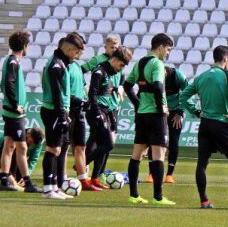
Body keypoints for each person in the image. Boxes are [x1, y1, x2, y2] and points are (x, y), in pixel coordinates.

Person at [180, 45, 228, 209]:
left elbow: (184, 96)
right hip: (221, 124)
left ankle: (204, 201)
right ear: (225, 58)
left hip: (205, 124)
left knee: (202, 163)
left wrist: (196, 111)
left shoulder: (201, 77)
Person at [122, 33, 175, 206]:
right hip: (156, 115)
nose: (168, 53)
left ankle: (134, 195)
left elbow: (127, 85)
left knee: (137, 155)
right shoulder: (157, 64)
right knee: (159, 156)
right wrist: (161, 108)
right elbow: (159, 87)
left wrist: (137, 103)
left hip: (142, 115)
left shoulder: (140, 63)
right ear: (160, 47)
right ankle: (158, 197)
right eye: (167, 50)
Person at [40, 33, 85, 199]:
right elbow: (57, 94)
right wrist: (62, 115)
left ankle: (54, 187)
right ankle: (47, 189)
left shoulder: (61, 63)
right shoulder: (56, 65)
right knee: (53, 149)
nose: (76, 56)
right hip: (53, 111)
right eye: (75, 52)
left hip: (58, 111)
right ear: (68, 49)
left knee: (57, 149)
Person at [0, 30, 39, 193]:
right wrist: (15, 104)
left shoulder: (10, 61)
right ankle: (27, 183)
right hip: (15, 114)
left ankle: (5, 180)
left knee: (9, 146)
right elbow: (8, 83)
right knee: (22, 148)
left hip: (10, 112)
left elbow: (4, 84)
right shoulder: (13, 62)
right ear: (25, 46)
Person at [86, 47, 132, 190]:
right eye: (121, 65)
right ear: (115, 59)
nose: (121, 68)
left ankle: (95, 178)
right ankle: (82, 164)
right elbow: (92, 94)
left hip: (107, 111)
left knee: (103, 146)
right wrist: (97, 112)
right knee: (108, 143)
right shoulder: (99, 71)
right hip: (97, 111)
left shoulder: (112, 73)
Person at [145, 66, 189, 184]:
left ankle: (169, 174)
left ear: (166, 72)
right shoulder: (153, 75)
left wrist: (180, 112)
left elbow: (188, 93)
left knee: (174, 141)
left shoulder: (178, 76)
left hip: (175, 112)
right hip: (159, 110)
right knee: (154, 141)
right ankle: (151, 174)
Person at [66, 34, 96, 191]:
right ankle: (59, 177)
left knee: (80, 146)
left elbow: (83, 87)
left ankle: (83, 180)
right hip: (68, 111)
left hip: (80, 113)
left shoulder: (77, 67)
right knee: (63, 148)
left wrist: (87, 99)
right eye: (81, 48)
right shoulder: (65, 66)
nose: (82, 52)